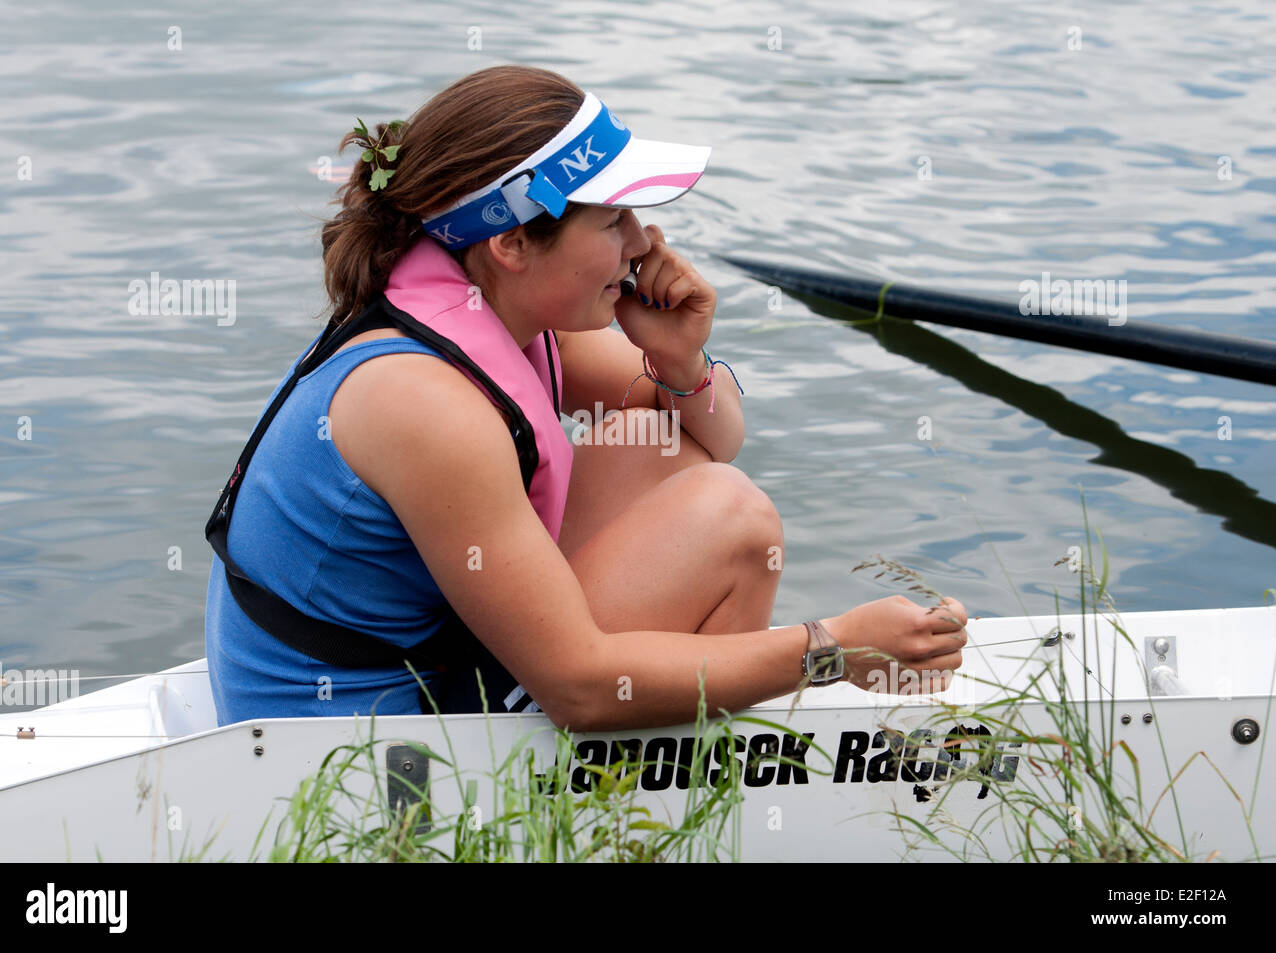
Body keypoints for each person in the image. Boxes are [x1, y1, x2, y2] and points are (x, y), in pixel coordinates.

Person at [204, 65, 968, 730]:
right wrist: (832, 649)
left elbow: (718, 434)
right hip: (348, 741)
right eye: (614, 219)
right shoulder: (425, 401)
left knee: (668, 442)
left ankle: (678, 738)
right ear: (511, 242)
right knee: (735, 522)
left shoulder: (490, 300)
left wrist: (677, 356)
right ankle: (674, 788)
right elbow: (578, 687)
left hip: (419, 658)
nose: (644, 242)